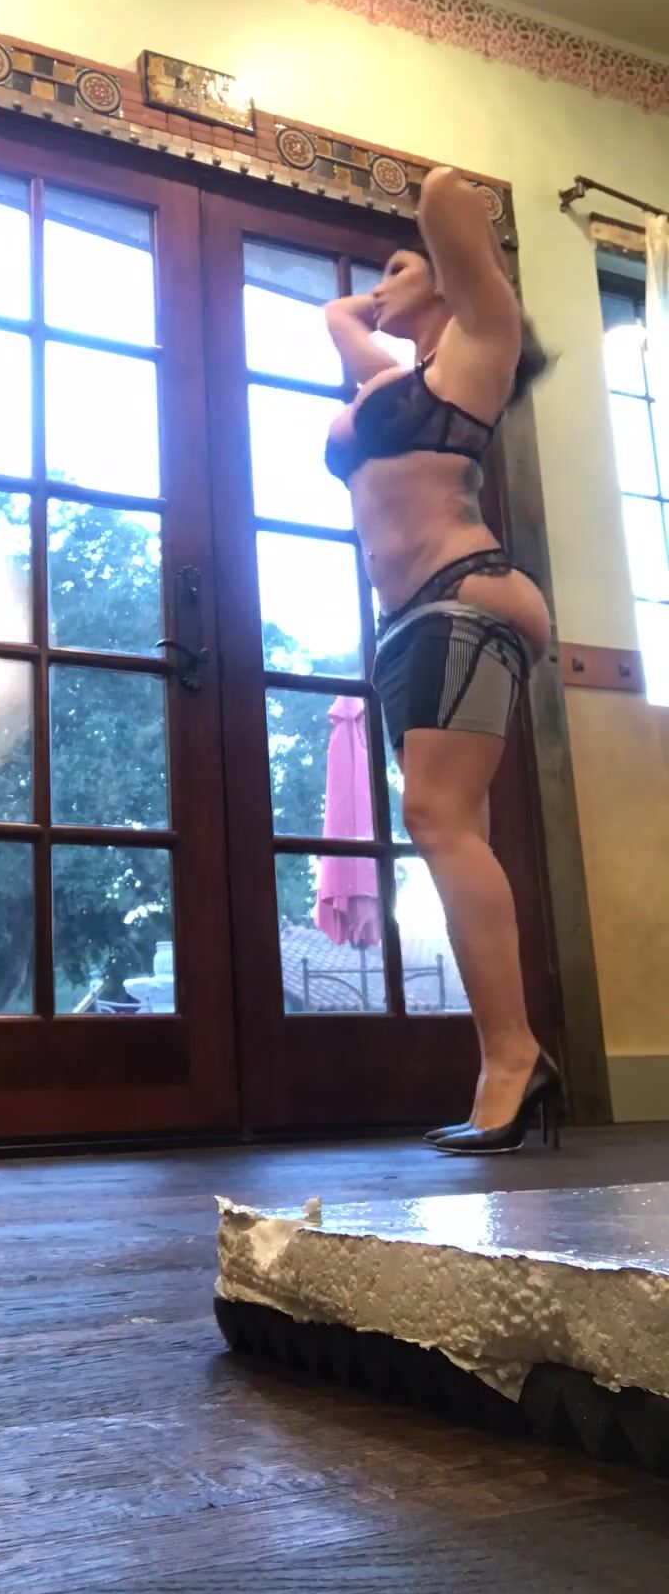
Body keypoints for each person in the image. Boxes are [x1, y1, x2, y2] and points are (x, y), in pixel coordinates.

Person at [323, 166, 558, 1154]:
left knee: (436, 818)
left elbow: (446, 194)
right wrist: (364, 306)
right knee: (458, 833)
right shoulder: (398, 382)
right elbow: (342, 327)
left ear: (447, 278)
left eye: (397, 268)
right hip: (413, 618)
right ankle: (502, 1061)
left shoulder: (480, 345)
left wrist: (436, 247)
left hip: (463, 594)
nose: (377, 286)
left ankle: (514, 1060)